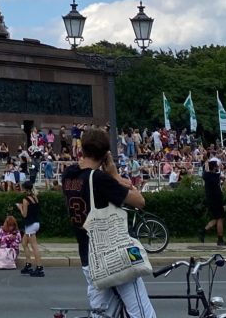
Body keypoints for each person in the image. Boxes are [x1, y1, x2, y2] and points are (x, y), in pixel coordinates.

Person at [62, 128, 156, 318]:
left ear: (82, 148)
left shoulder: (68, 176)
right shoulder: (99, 179)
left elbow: (81, 169)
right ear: (105, 155)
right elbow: (140, 201)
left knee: (102, 313)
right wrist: (114, 174)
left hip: (89, 258)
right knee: (142, 312)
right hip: (115, 254)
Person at [201, 159, 226, 247]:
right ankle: (220, 240)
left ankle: (203, 231)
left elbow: (207, 171)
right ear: (214, 167)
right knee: (220, 218)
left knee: (217, 218)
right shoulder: (214, 176)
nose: (218, 168)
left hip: (211, 200)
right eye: (216, 166)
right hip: (216, 200)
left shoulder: (207, 175)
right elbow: (223, 185)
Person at [16, 188, 44, 276]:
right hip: (36, 223)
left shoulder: (25, 200)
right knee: (24, 243)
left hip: (30, 225)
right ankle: (28, 265)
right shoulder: (35, 198)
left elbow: (24, 214)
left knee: (34, 246)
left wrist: (20, 207)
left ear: (25, 190)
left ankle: (39, 268)